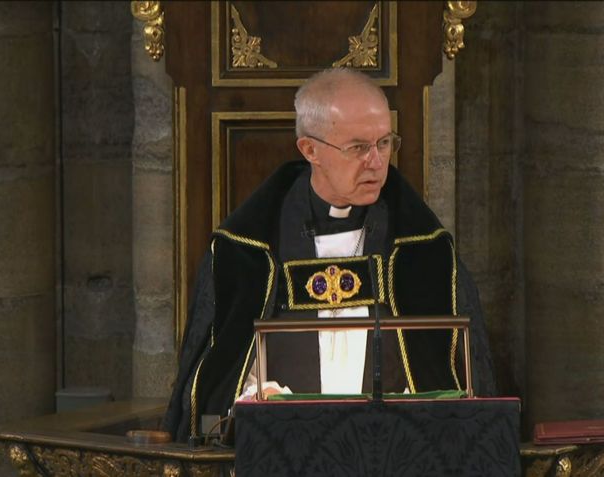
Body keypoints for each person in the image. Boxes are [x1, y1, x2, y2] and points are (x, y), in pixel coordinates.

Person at [162, 67, 496, 444]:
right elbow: (216, 389)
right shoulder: (246, 251)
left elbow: (460, 384)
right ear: (310, 150)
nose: (376, 162)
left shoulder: (424, 250)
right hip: (281, 450)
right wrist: (256, 400)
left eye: (384, 143)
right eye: (358, 147)